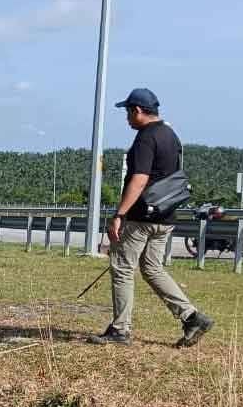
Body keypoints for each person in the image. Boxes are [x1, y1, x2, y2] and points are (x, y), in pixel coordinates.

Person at [91, 88, 214, 347]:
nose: (126, 118)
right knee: (152, 268)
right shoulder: (171, 136)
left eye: (127, 112)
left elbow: (140, 178)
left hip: (142, 218)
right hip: (166, 216)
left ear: (137, 110)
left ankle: (120, 329)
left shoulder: (146, 138)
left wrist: (119, 214)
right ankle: (192, 317)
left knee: (123, 266)